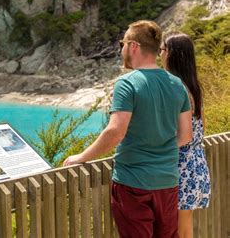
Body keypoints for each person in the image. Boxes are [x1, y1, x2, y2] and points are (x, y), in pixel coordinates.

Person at [63, 20, 193, 237]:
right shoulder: (176, 84)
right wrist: (160, 147)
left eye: (122, 44)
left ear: (133, 46)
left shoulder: (128, 83)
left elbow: (115, 131)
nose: (122, 49)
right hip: (168, 183)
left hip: (134, 184)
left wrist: (81, 157)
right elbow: (186, 135)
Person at [160, 32, 211, 238]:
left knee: (180, 230)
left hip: (181, 166)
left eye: (162, 50)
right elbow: (201, 127)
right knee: (184, 226)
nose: (160, 54)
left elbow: (183, 136)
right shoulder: (193, 86)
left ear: (172, 54)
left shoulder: (176, 88)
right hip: (196, 162)